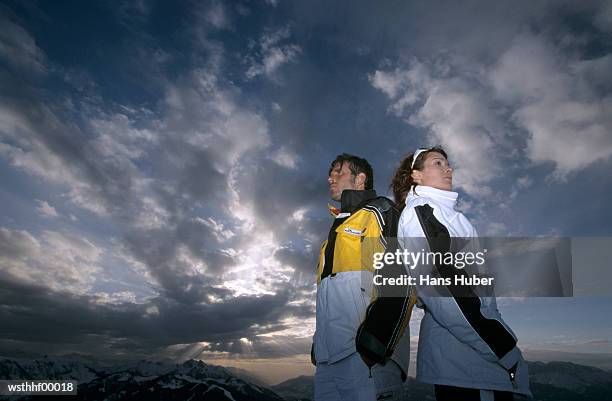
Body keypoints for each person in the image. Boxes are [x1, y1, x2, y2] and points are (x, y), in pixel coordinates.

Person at [392, 147, 531, 401]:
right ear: (417, 176)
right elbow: (445, 289)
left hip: (473, 362)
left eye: (448, 163)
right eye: (438, 163)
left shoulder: (447, 215)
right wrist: (502, 346)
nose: (449, 168)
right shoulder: (422, 212)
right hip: (470, 364)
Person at [312, 153, 415, 401]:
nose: (330, 178)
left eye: (339, 171)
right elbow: (328, 296)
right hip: (328, 362)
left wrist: (373, 345)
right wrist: (318, 346)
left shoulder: (381, 211)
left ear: (360, 179)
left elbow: (401, 280)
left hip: (368, 361)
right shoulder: (333, 234)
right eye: (331, 172)